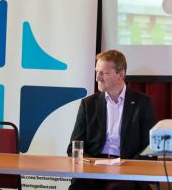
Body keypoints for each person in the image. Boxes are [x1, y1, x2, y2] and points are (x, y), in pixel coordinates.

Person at [67, 49, 157, 190]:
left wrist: (128, 166)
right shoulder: (88, 104)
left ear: (120, 74)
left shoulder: (142, 103)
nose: (97, 78)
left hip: (126, 168)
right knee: (79, 186)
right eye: (97, 72)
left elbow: (150, 148)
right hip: (93, 168)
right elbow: (74, 147)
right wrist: (91, 163)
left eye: (103, 73)